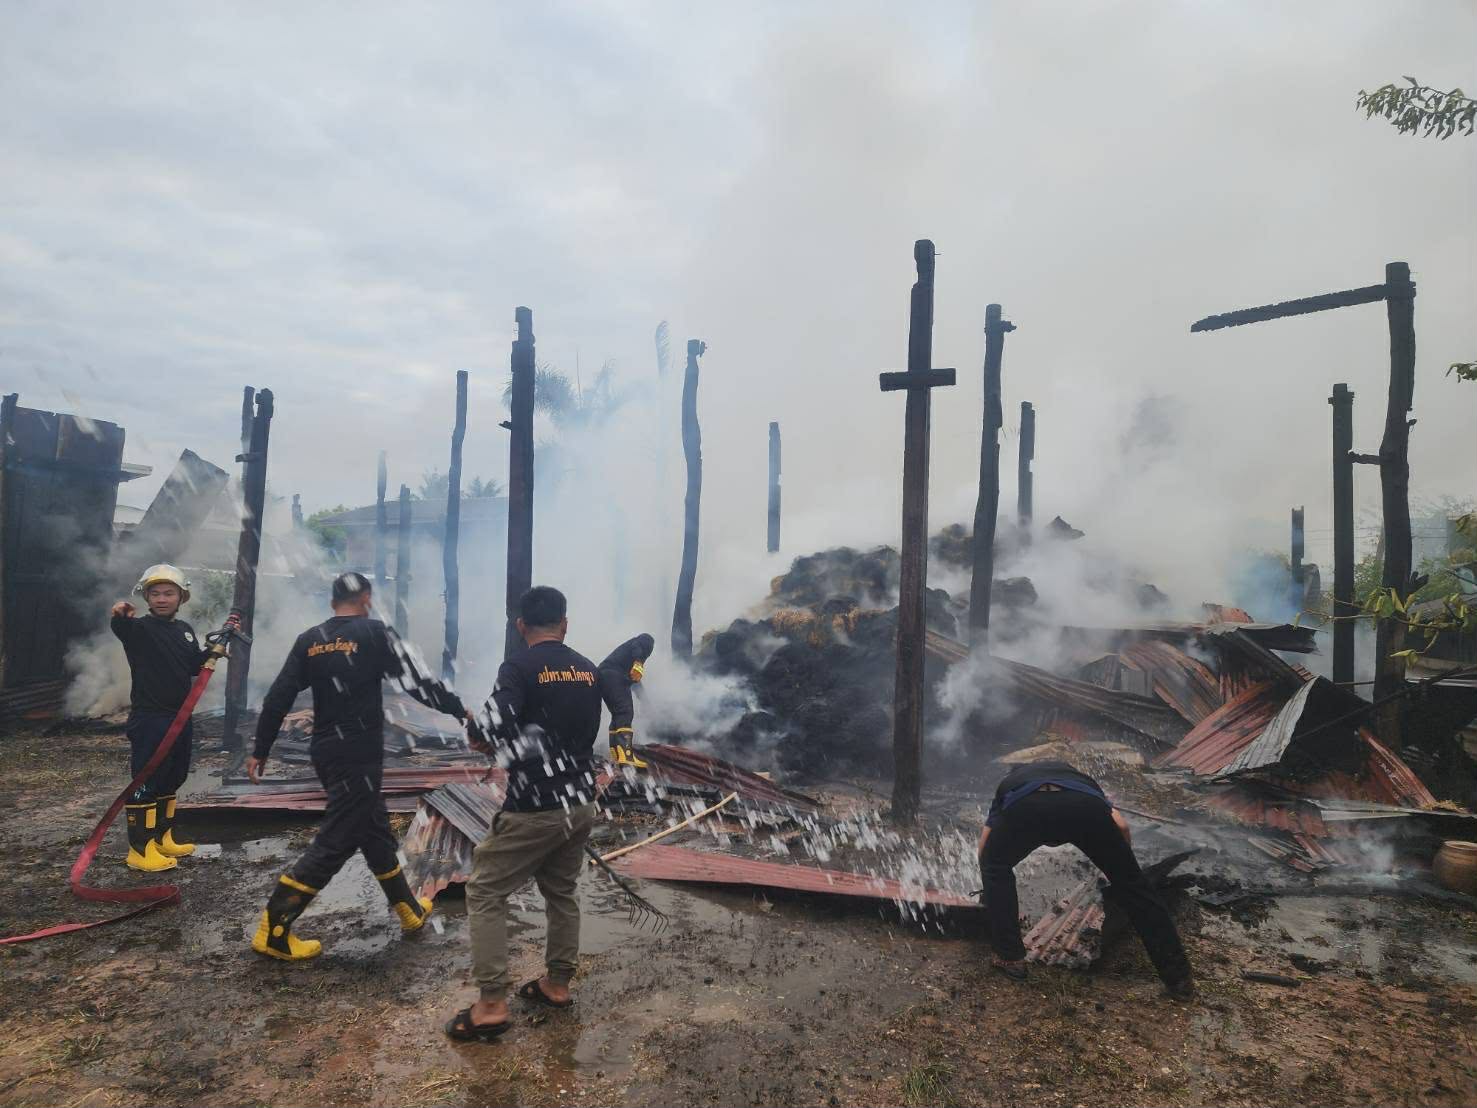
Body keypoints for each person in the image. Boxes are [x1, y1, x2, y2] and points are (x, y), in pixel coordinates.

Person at [245, 572, 471, 961]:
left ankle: (409, 910)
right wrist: (456, 709)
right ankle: (275, 928)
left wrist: (261, 747)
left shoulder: (310, 639)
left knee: (374, 831)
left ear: (333, 601)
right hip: (358, 752)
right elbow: (418, 682)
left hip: (328, 749)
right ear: (366, 597)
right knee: (338, 838)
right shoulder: (375, 633)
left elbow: (279, 695)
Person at [446, 586, 624, 1043]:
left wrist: (478, 735)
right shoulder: (588, 669)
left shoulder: (519, 666)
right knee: (562, 891)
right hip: (580, 803)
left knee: (485, 890)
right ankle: (557, 985)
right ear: (565, 623)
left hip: (534, 807)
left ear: (521, 626)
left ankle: (489, 1005)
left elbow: (490, 726)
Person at [977, 759, 1194, 999]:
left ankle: (1011, 959)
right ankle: (1179, 978)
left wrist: (990, 880)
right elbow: (1121, 825)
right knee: (1135, 887)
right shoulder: (1083, 782)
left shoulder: (1010, 783)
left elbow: (986, 844)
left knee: (995, 867)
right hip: (1083, 808)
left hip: (1027, 808)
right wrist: (1120, 868)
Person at [110, 564, 215, 872]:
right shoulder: (139, 628)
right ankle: (139, 851)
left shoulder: (184, 630)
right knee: (147, 780)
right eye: (154, 593)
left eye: (169, 593)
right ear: (146, 597)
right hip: (151, 717)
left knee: (172, 776)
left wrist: (212, 651)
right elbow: (121, 628)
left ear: (181, 597)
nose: (161, 598)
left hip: (180, 716)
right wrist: (119, 612)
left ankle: (161, 838)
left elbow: (192, 666)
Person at [599, 633, 655, 768]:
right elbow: (638, 645)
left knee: (617, 714)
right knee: (625, 712)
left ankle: (616, 753)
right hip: (613, 675)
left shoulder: (625, 661)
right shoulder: (639, 644)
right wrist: (639, 661)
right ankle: (627, 754)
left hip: (603, 676)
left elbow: (635, 682)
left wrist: (645, 701)